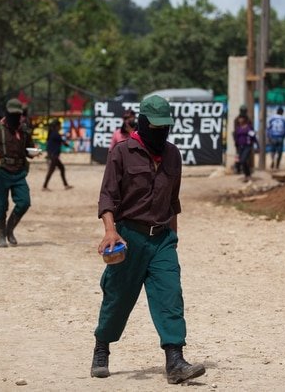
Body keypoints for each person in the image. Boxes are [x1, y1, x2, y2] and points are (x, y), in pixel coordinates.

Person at [91, 95, 205, 385]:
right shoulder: (121, 153)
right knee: (117, 298)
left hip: (163, 239)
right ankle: (102, 347)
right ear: (142, 122)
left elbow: (173, 200)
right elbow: (108, 196)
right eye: (156, 127)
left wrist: (174, 238)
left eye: (165, 127)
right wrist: (109, 230)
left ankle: (175, 360)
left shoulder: (173, 155)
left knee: (170, 296)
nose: (161, 133)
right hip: (128, 237)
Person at [0, 99, 38, 248]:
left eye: (17, 115)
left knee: (24, 202)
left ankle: (9, 229)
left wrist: (34, 152)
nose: (15, 117)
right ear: (7, 113)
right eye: (12, 114)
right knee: (0, 206)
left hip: (19, 173)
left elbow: (29, 149)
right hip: (1, 172)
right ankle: (1, 235)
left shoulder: (24, 131)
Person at [42, 118, 73, 191]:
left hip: (53, 156)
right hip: (54, 156)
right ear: (56, 126)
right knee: (51, 171)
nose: (60, 127)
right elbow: (63, 142)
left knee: (61, 168)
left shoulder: (53, 133)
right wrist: (70, 146)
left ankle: (66, 185)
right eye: (59, 126)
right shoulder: (55, 134)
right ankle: (44, 186)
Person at [232, 113, 257, 182]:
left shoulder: (248, 128)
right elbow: (236, 137)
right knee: (241, 161)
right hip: (240, 147)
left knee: (243, 160)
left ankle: (248, 174)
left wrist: (257, 145)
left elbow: (253, 136)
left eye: (241, 118)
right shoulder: (238, 128)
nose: (240, 120)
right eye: (239, 118)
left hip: (247, 146)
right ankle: (247, 175)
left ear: (244, 119)